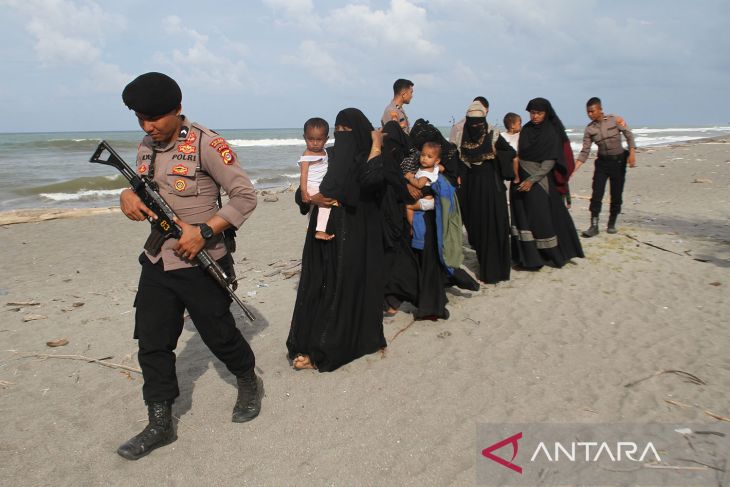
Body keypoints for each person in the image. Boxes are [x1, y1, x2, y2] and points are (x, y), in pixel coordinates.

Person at [115, 72, 262, 460]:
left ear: (178, 110)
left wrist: (205, 229)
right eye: (140, 119)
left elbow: (245, 197)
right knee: (152, 342)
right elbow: (144, 186)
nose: (148, 127)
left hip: (201, 263)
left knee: (220, 335)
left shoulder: (207, 144)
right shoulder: (146, 145)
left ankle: (247, 378)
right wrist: (126, 195)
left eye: (155, 119)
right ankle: (160, 423)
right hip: (156, 260)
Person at [287, 108, 387, 371]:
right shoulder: (329, 155)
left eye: (347, 132)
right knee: (320, 286)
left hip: (355, 235)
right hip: (322, 235)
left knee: (346, 287)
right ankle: (314, 341)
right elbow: (304, 192)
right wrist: (311, 196)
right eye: (338, 131)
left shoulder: (370, 157)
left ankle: (330, 347)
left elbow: (372, 181)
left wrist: (376, 145)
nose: (342, 137)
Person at [510, 97, 584, 269]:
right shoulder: (526, 130)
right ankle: (530, 257)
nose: (535, 116)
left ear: (546, 113)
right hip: (521, 180)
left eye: (539, 113)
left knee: (541, 219)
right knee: (525, 219)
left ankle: (550, 255)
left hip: (540, 181)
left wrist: (532, 180)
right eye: (532, 113)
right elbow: (521, 154)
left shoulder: (551, 131)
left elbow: (550, 160)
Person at [454, 101, 514, 284]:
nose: (475, 125)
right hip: (471, 187)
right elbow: (457, 161)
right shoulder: (460, 137)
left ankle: (496, 272)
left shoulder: (493, 134)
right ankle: (484, 267)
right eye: (471, 121)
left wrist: (496, 153)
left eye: (478, 121)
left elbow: (510, 153)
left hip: (491, 187)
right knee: (478, 229)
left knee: (494, 227)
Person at [574, 97, 637, 236]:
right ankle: (594, 225)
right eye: (588, 112)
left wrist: (632, 153)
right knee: (596, 194)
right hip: (602, 163)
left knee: (616, 194)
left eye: (592, 111)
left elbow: (629, 135)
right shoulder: (589, 129)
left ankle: (612, 223)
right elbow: (585, 151)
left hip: (618, 162)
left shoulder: (615, 120)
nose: (590, 114)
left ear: (600, 109)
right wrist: (574, 168)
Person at [298, 117, 334, 240]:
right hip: (311, 186)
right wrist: (303, 191)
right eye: (311, 139)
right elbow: (303, 174)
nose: (314, 143)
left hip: (319, 184)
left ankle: (310, 226)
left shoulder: (325, 152)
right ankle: (320, 230)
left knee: (314, 210)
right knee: (325, 205)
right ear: (304, 138)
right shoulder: (307, 154)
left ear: (326, 139)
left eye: (319, 139)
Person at [404, 141, 442, 232]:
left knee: (408, 207)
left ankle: (412, 226)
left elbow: (419, 185)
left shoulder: (424, 174)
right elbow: (442, 168)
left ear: (436, 160)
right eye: (423, 155)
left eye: (429, 157)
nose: (424, 159)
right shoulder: (435, 167)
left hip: (426, 201)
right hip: (431, 200)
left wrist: (409, 178)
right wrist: (436, 166)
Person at [502, 112, 522, 183]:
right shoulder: (502, 136)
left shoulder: (520, 135)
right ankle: (516, 176)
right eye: (519, 124)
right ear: (512, 125)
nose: (521, 126)